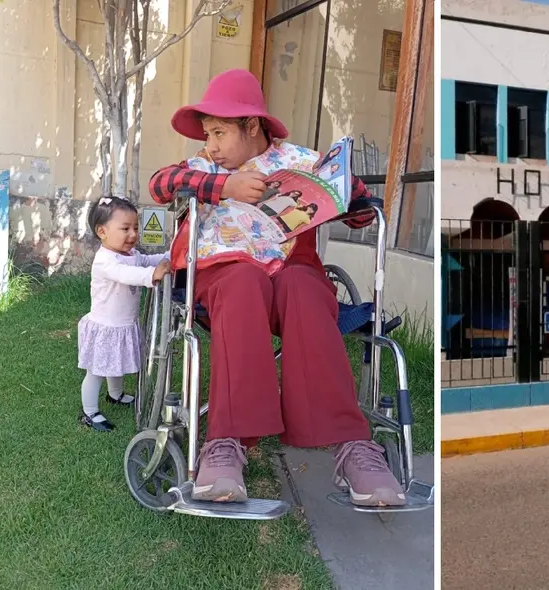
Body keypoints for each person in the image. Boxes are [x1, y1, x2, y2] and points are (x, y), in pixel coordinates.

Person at [147, 69, 405, 506]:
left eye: (219, 133)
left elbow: (363, 210)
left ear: (252, 126)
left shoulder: (301, 160)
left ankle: (353, 446)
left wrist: (345, 190)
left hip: (290, 271)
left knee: (305, 290)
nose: (210, 144)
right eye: (207, 134)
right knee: (243, 281)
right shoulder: (204, 167)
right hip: (226, 274)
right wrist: (222, 186)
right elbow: (160, 184)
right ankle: (226, 441)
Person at [78, 196, 170, 432]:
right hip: (106, 326)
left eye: (135, 228)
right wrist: (152, 275)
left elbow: (147, 260)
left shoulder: (130, 255)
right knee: (98, 371)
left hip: (123, 324)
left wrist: (169, 256)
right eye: (125, 229)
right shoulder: (105, 261)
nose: (133, 234)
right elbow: (126, 274)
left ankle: (115, 395)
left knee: (115, 363)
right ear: (102, 231)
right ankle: (89, 413)